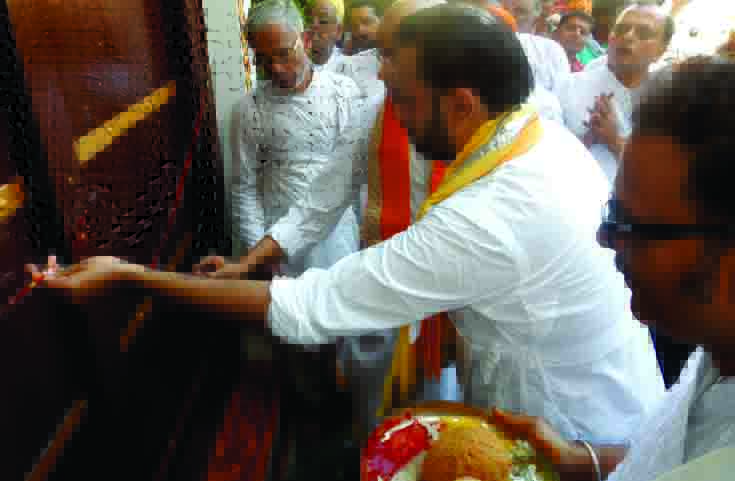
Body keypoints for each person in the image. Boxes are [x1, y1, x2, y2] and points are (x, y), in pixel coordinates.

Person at [34, 4, 665, 445]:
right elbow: (320, 200)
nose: (395, 110)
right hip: (512, 369)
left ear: (462, 102)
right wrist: (249, 261)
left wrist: (131, 278)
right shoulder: (536, 138)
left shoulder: (493, 211)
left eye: (405, 97)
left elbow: (311, 304)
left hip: (573, 423)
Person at [492, 56, 735, 481]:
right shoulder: (717, 347)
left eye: (630, 225)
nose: (605, 239)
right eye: (612, 213)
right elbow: (674, 454)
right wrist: (581, 461)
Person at [232, 0, 361, 278]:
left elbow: (356, 173)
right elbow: (245, 187)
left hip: (339, 241)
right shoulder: (250, 109)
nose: (276, 68)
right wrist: (258, 255)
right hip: (278, 247)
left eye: (283, 54)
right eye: (263, 59)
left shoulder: (343, 93)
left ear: (306, 39)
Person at [556, 2, 673, 184]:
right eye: (621, 29)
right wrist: (587, 139)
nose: (628, 36)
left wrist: (615, 141)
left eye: (643, 33)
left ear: (661, 50)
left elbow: (663, 174)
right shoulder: (568, 87)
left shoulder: (667, 102)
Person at [307, 0, 346, 70]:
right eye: (310, 20)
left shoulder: (347, 68)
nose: (313, 26)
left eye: (323, 21)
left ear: (338, 31)